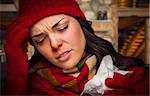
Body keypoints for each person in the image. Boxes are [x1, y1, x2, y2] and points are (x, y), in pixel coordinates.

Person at [3, 0, 149, 95]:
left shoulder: (135, 75)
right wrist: (15, 76)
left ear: (81, 24)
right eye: (40, 39)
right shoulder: (31, 87)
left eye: (62, 27)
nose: (54, 44)